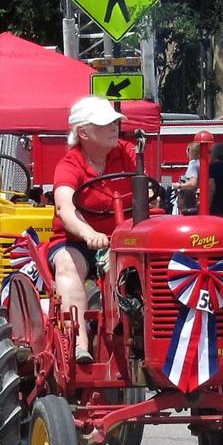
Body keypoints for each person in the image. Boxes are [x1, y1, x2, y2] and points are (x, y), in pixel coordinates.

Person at [46, 97, 136, 364]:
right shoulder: (69, 164)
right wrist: (88, 234)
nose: (114, 128)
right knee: (67, 264)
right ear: (83, 132)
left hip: (125, 239)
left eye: (115, 122)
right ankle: (78, 342)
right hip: (77, 241)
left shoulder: (129, 153)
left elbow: (148, 192)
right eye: (105, 123)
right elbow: (65, 208)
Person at [172, 142, 200, 214]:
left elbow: (193, 183)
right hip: (193, 199)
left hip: (188, 199)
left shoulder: (193, 164)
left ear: (189, 150)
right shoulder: (200, 163)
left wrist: (178, 185)